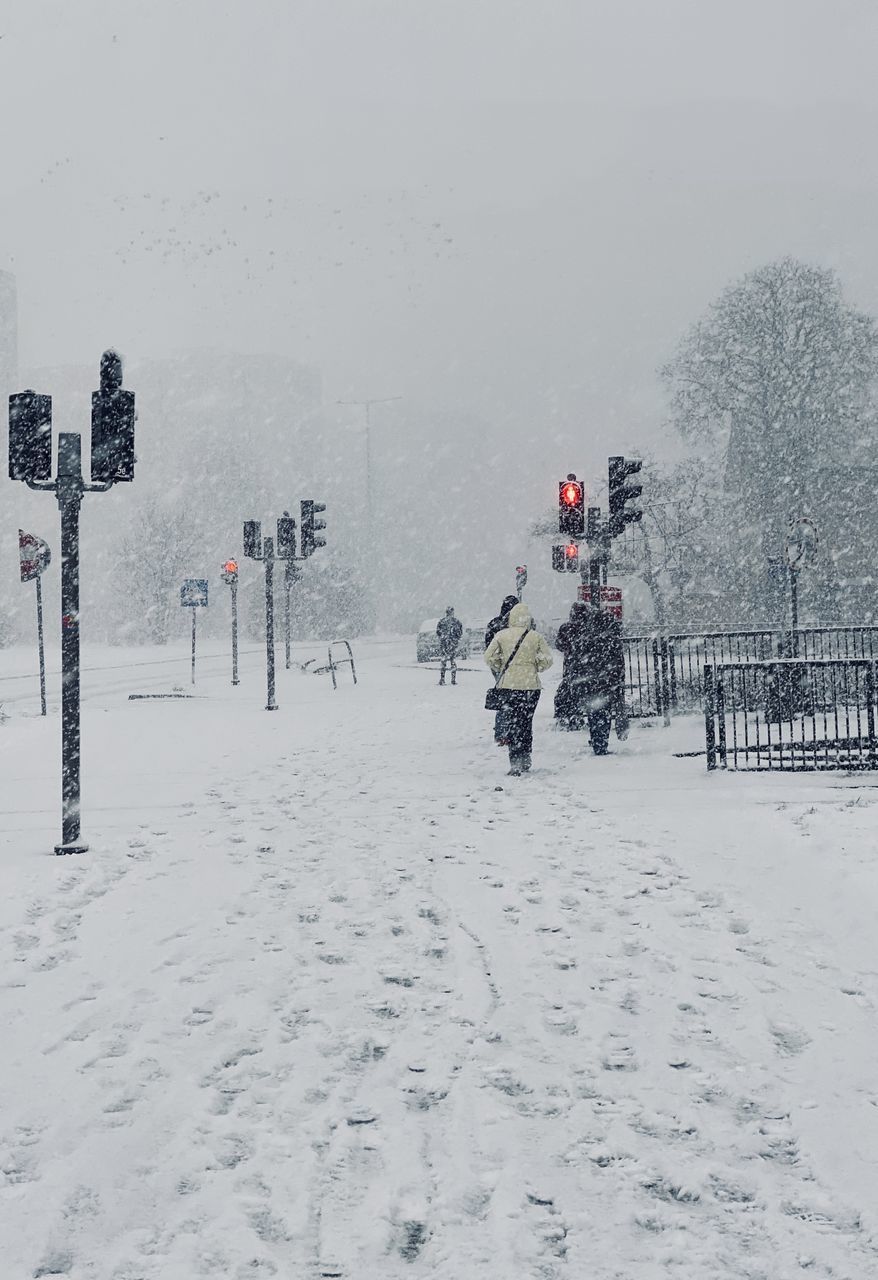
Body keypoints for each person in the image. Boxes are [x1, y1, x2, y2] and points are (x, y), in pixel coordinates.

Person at [484, 602, 553, 775]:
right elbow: (547, 659)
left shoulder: (501, 635)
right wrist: (536, 666)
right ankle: (526, 758)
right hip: (531, 686)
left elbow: (488, 656)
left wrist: (500, 665)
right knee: (526, 722)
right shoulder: (535, 636)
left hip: (509, 685)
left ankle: (514, 761)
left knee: (513, 722)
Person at [554, 600, 626, 754]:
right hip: (607, 680)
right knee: (603, 711)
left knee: (593, 709)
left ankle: (594, 737)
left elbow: (566, 649)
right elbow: (618, 661)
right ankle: (601, 741)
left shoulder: (581, 635)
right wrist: (617, 679)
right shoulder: (611, 639)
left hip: (587, 679)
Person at [436, 606, 463, 685]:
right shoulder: (456, 622)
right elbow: (460, 633)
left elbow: (438, 632)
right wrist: (455, 639)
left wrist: (443, 637)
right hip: (453, 644)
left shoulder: (442, 622)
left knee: (443, 661)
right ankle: (453, 679)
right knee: (453, 661)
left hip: (444, 644)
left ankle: (442, 679)